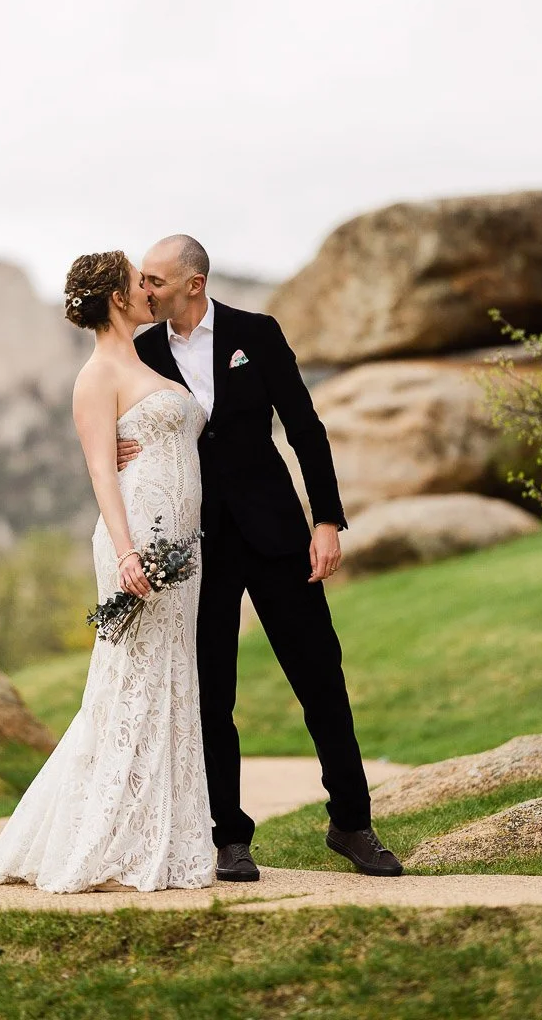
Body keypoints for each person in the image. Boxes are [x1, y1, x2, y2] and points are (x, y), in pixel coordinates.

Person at [118, 235, 403, 880]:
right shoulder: (142, 352)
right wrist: (114, 453)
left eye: (156, 279)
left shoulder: (257, 332)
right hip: (197, 546)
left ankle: (353, 824)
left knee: (321, 681)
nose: (145, 289)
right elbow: (117, 426)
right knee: (212, 695)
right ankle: (229, 837)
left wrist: (326, 520)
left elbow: (305, 427)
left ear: (195, 282)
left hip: (277, 535)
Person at [0, 250, 214, 893]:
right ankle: (102, 843)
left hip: (183, 547)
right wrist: (130, 550)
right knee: (127, 685)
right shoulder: (96, 375)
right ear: (115, 296)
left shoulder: (147, 362)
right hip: (136, 543)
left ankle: (165, 837)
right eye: (139, 283)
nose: (148, 291)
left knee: (169, 680)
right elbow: (100, 473)